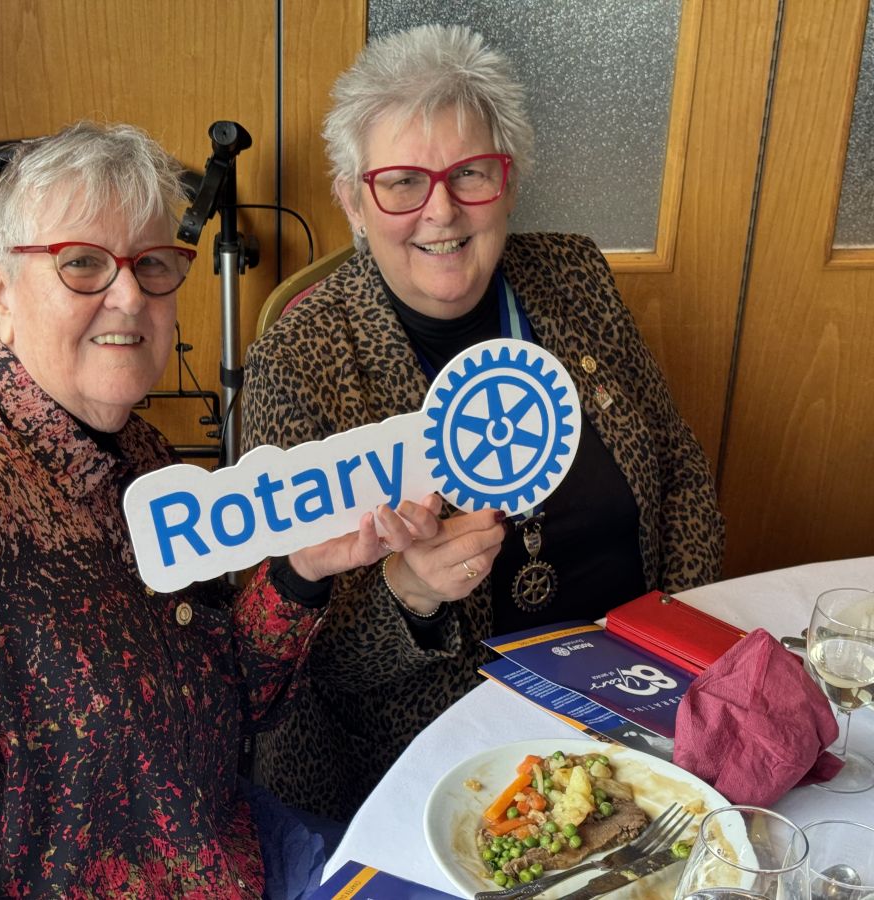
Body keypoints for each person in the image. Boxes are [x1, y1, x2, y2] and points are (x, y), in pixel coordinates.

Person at [0, 121, 439, 898]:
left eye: (153, 263)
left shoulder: (133, 449)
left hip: (224, 847)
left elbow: (222, 699)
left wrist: (302, 573)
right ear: (0, 294)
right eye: (82, 264)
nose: (129, 295)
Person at [241, 24, 725, 821]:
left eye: (469, 173)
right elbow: (294, 665)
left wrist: (678, 655)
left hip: (640, 704)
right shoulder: (300, 362)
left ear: (509, 181)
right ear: (354, 202)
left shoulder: (573, 276)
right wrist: (409, 594)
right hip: (449, 763)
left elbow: (679, 475)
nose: (440, 210)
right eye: (402, 182)